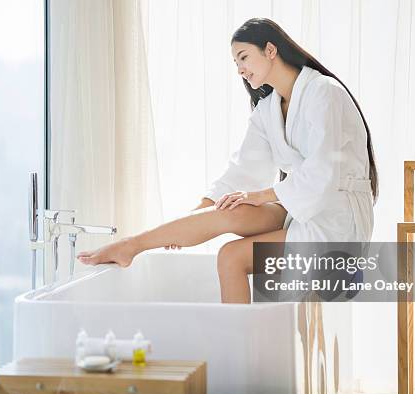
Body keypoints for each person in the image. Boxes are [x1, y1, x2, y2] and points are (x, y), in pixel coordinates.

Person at [77, 17, 378, 304]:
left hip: (336, 220)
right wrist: (192, 220)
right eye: (236, 62)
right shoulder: (268, 110)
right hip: (300, 210)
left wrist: (260, 196)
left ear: (270, 50)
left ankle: (242, 352)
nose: (240, 69)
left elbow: (323, 172)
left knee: (230, 256)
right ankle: (132, 245)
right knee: (230, 209)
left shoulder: (324, 92)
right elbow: (242, 171)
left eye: (244, 57)